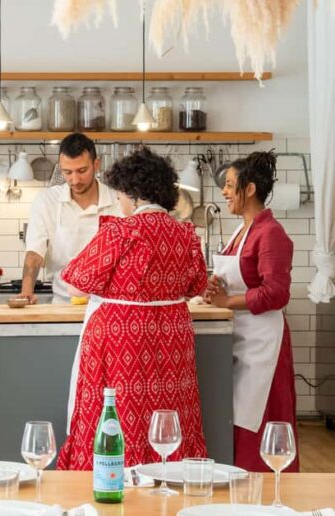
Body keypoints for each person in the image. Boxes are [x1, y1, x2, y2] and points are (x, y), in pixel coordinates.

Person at [56, 148, 208, 470]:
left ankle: (116, 476)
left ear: (133, 193)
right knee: (170, 408)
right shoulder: (186, 233)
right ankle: (170, 474)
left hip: (122, 337)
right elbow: (196, 287)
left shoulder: (121, 231)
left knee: (121, 410)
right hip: (172, 338)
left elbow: (76, 283)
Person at [205, 151, 300, 472]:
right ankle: (239, 482)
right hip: (244, 336)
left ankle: (271, 488)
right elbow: (239, 280)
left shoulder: (271, 233)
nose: (225, 192)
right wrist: (215, 289)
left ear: (250, 189)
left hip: (263, 344)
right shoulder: (242, 231)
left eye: (231, 185)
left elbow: (277, 293)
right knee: (241, 412)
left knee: (259, 413)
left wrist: (226, 302)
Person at [19, 133, 121, 304]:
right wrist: (26, 291)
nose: (75, 180)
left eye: (82, 171)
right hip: (63, 304)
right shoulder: (47, 201)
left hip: (110, 306)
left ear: (96, 164)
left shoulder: (118, 201)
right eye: (67, 172)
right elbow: (35, 253)